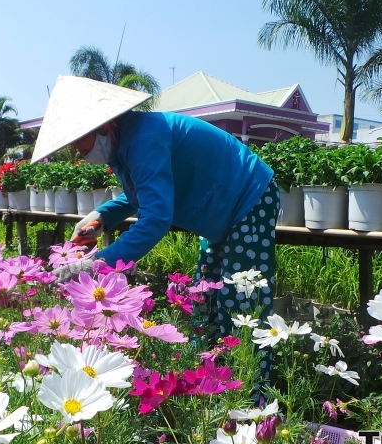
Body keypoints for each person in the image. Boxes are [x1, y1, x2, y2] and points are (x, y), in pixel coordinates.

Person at [31, 76, 278, 383]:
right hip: (220, 211)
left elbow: (156, 218)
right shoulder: (126, 142)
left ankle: (253, 398)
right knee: (205, 298)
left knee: (242, 304)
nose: (77, 152)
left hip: (249, 198)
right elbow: (142, 192)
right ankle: (211, 387)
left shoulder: (144, 139)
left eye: (78, 141)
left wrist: (97, 263)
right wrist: (103, 216)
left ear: (103, 126)